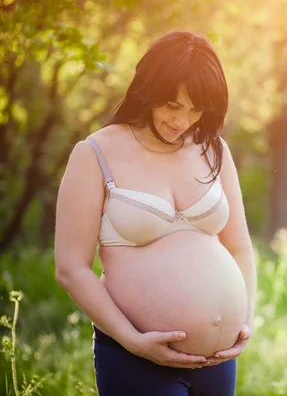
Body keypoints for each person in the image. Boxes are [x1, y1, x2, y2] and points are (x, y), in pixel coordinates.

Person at [54, 31, 256, 395]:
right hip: (137, 360)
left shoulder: (213, 149)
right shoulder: (96, 154)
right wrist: (131, 339)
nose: (183, 121)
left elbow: (239, 246)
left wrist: (244, 322)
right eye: (173, 106)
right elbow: (71, 267)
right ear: (147, 91)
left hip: (219, 363)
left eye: (195, 110)